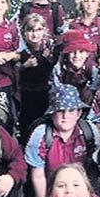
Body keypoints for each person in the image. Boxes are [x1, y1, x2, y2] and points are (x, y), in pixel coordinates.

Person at [25, 84, 100, 197]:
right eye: (60, 110)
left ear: (79, 113)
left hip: (80, 188)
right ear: (52, 113)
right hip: (51, 189)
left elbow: (93, 170)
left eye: (71, 110)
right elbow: (38, 177)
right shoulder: (41, 135)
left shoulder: (89, 132)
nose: (66, 116)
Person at [19, 13, 57, 141]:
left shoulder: (50, 48)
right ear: (24, 32)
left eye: (38, 30)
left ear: (44, 31)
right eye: (30, 30)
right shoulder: (20, 50)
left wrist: (50, 60)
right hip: (26, 93)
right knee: (27, 124)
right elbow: (13, 72)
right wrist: (25, 66)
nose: (35, 34)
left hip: (46, 92)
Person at [52, 29, 100, 106]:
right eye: (72, 52)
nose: (77, 56)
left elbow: (97, 91)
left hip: (88, 103)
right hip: (64, 103)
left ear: (87, 54)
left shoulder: (93, 69)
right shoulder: (59, 68)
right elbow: (55, 90)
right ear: (67, 53)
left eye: (81, 52)